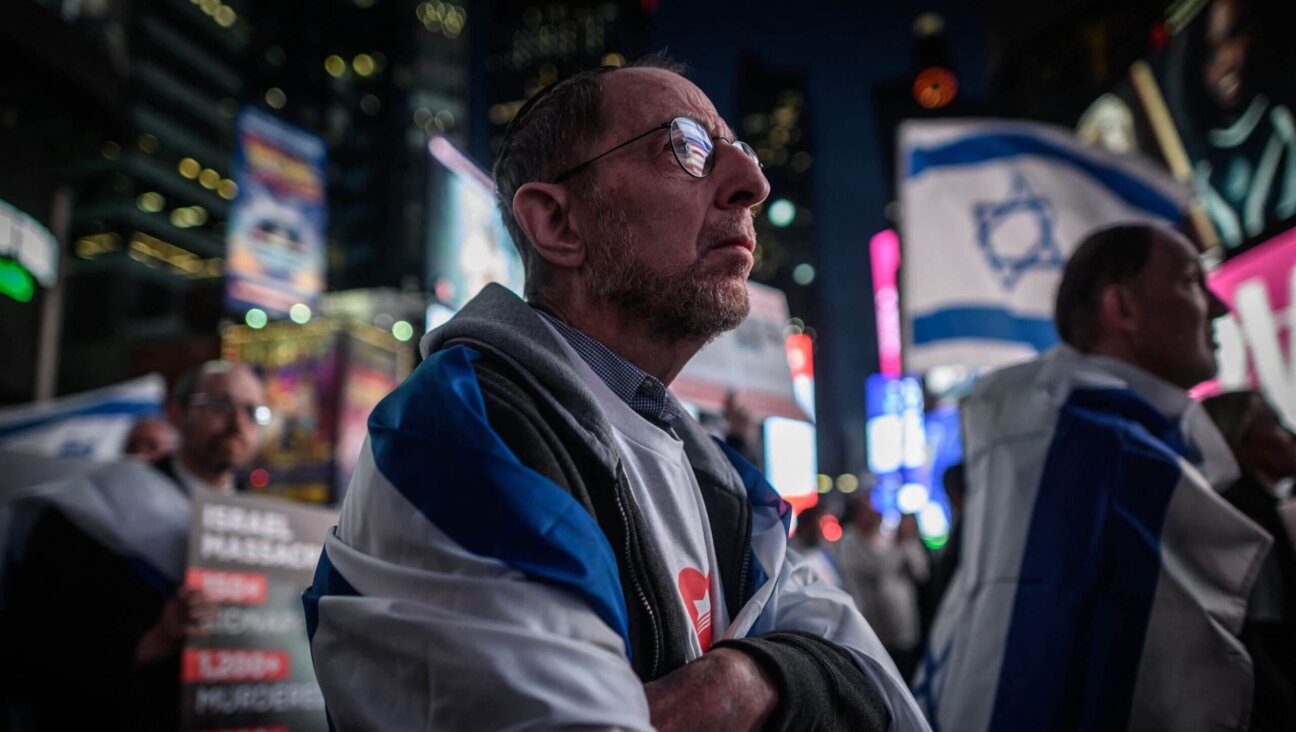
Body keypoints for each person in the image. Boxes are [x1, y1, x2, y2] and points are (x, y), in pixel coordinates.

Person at [304, 57, 928, 731]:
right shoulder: (463, 432)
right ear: (557, 224)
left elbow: (888, 699)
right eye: (686, 146)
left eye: (739, 151)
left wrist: (746, 680)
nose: (752, 182)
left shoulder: (722, 479)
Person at [915, 223, 1272, 731]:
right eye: (1191, 281)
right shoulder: (1113, 462)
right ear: (1122, 309)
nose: (1219, 307)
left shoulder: (1039, 445)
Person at [0, 360, 268, 731]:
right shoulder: (96, 507)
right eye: (220, 404)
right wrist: (154, 639)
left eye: (254, 412)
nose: (239, 423)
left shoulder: (267, 533)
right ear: (176, 413)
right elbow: (35, 645)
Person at [1202, 390, 1296, 730]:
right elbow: (1263, 625)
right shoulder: (1248, 514)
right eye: (1275, 425)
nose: (1290, 437)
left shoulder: (1236, 505)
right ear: (1241, 442)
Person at [838, 496, 928, 680]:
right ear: (856, 515)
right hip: (874, 625)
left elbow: (921, 573)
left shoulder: (887, 537)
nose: (874, 513)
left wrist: (907, 542)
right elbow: (877, 568)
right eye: (867, 510)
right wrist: (898, 544)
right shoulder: (849, 541)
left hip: (903, 624)